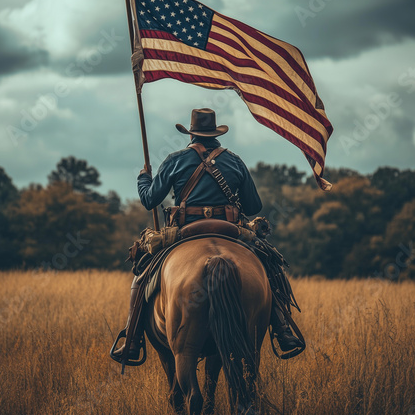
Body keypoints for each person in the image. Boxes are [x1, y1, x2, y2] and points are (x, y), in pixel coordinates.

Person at [120, 108, 303, 360]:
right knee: (270, 267)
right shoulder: (235, 161)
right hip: (231, 231)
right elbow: (253, 207)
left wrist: (144, 178)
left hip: (185, 233)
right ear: (216, 134)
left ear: (191, 134)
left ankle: (132, 339)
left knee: (141, 277)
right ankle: (282, 329)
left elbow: (149, 199)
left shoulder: (175, 160)